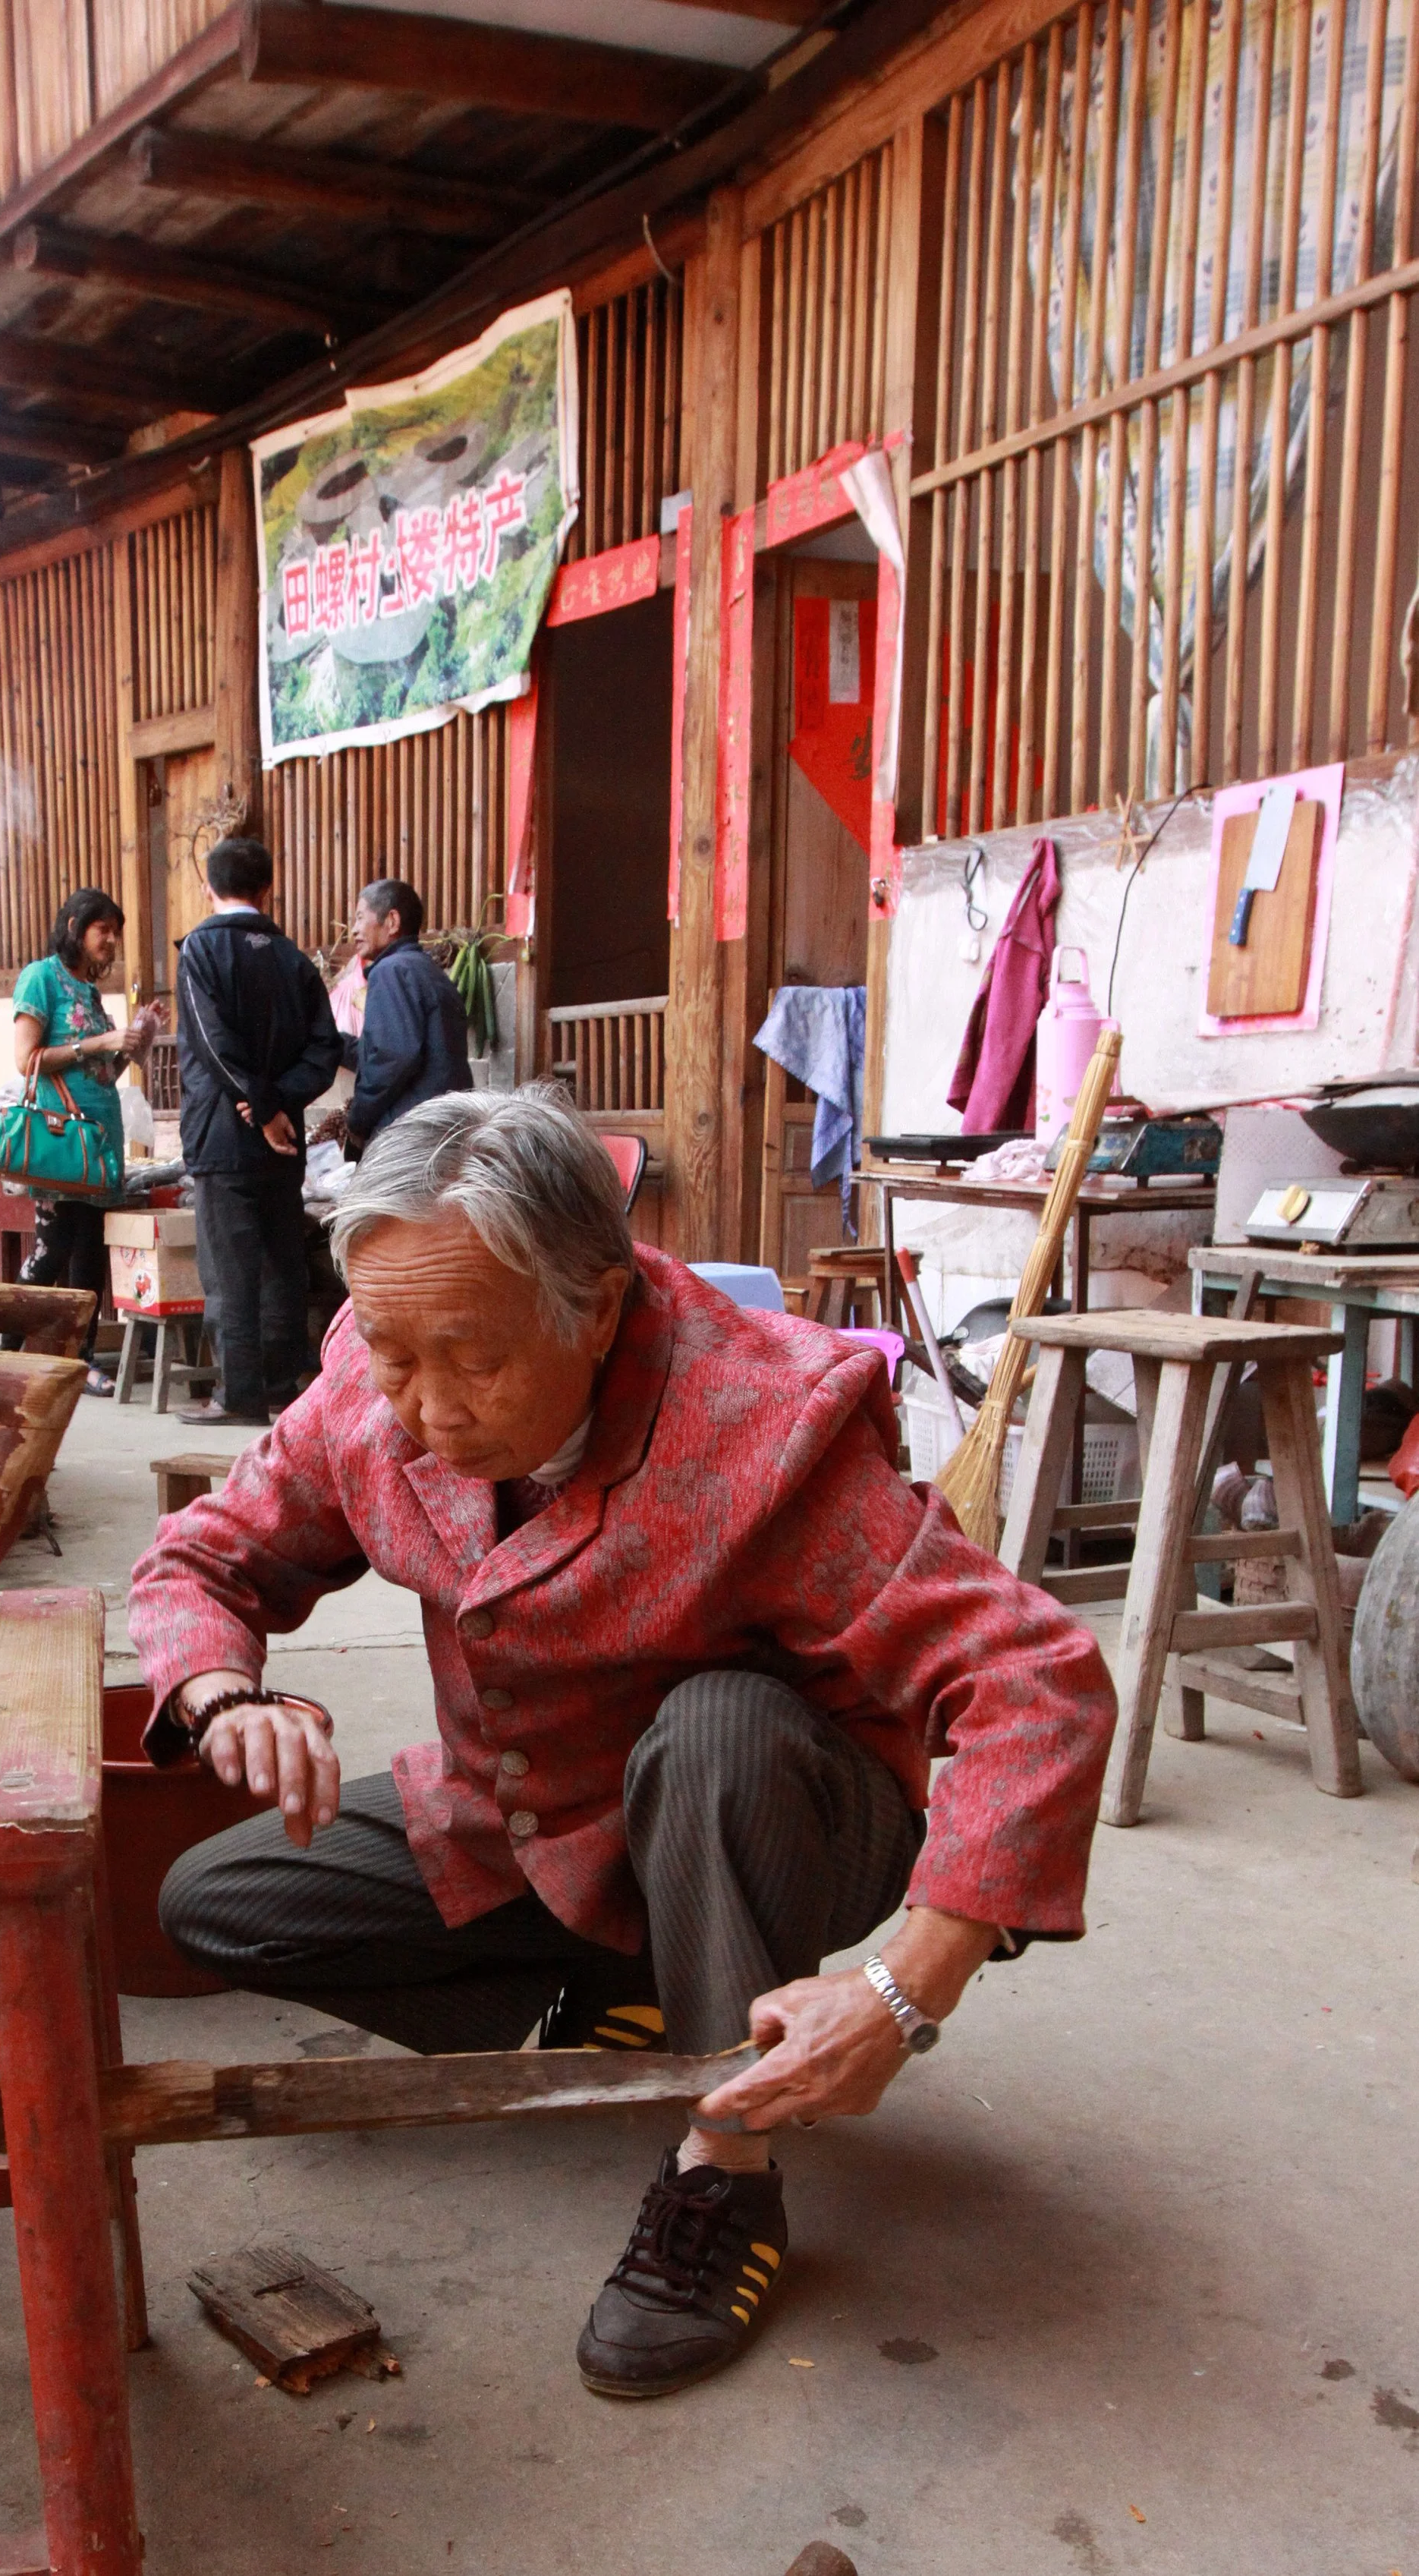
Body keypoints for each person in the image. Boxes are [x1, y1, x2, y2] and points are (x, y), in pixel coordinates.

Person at [130, 1085, 1116, 2402]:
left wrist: (902, 1987)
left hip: (776, 1811)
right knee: (218, 1903)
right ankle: (616, 1994)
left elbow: (1036, 1678)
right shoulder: (379, 1379)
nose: (422, 1404)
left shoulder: (761, 1423)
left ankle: (729, 2171)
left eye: (471, 1356)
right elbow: (206, 1553)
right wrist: (221, 1691)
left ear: (594, 1309)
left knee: (718, 1732)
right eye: (389, 1348)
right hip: (533, 1813)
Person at [173, 836, 341, 1428]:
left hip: (223, 1135)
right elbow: (326, 1048)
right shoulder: (293, 959)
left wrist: (257, 1102)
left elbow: (210, 1043)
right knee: (280, 1263)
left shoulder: (199, 950)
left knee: (229, 1270)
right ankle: (280, 1388)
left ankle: (238, 1394)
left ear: (208, 889)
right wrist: (281, 1103)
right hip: (284, 1138)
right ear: (268, 889)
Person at [9, 887, 131, 1397]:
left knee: (89, 1252)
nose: (111, 942)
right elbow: (26, 1059)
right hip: (60, 1139)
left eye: (115, 933)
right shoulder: (42, 978)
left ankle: (82, 1361)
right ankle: (8, 1352)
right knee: (53, 1248)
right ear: (76, 927)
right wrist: (100, 1042)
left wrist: (128, 1047)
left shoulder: (89, 991)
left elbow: (102, 1072)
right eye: (103, 930)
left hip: (98, 1137)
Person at [335, 879, 472, 1149]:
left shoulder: (392, 971)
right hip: (445, 1125)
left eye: (360, 918)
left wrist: (359, 1120)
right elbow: (395, 1048)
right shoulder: (428, 972)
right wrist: (334, 1043)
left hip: (414, 1134)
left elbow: (393, 1057)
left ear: (392, 921)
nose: (353, 930)